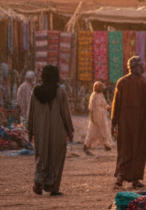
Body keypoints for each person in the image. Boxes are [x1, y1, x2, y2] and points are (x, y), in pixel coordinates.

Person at [26, 64, 73, 196]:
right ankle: (53, 187)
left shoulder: (36, 91)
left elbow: (31, 113)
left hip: (40, 130)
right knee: (56, 157)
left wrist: (30, 131)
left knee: (42, 156)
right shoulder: (59, 92)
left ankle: (38, 182)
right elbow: (65, 113)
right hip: (57, 131)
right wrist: (69, 130)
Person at [111, 55, 146, 189]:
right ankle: (135, 179)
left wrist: (114, 123)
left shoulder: (121, 82)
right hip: (140, 121)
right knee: (138, 148)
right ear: (140, 67)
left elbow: (115, 104)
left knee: (124, 147)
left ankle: (120, 176)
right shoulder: (144, 82)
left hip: (124, 120)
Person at [83, 80, 113, 154]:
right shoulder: (95, 95)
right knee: (97, 130)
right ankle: (87, 145)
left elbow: (103, 104)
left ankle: (106, 145)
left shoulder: (98, 95)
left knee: (100, 130)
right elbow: (93, 107)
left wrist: (109, 107)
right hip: (97, 116)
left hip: (100, 115)